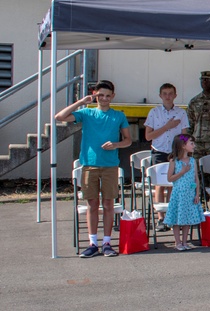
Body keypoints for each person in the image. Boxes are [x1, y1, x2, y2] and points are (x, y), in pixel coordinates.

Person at [55, 80, 131, 258]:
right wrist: (81, 102)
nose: (104, 99)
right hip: (89, 165)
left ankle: (106, 242)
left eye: (107, 95)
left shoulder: (118, 116)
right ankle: (92, 243)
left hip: (110, 165)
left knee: (108, 204)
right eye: (100, 95)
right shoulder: (87, 113)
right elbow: (59, 117)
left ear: (112, 96)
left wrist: (116, 144)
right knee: (92, 205)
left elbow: (128, 140)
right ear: (95, 95)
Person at [144, 83, 190, 232]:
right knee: (160, 184)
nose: (168, 96)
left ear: (175, 95)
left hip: (175, 152)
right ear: (160, 96)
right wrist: (167, 126)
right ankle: (160, 218)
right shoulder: (154, 112)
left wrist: (182, 150)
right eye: (165, 93)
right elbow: (148, 136)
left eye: (171, 93)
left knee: (173, 183)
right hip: (159, 151)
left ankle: (171, 215)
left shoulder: (181, 113)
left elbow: (184, 135)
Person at [163, 134, 205, 251]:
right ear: (183, 146)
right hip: (179, 194)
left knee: (187, 218)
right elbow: (170, 178)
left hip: (190, 193)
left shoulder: (192, 160)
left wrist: (197, 193)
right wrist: (182, 172)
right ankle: (178, 242)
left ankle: (185, 241)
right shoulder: (174, 161)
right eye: (191, 143)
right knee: (177, 218)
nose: (194, 146)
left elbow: (196, 178)